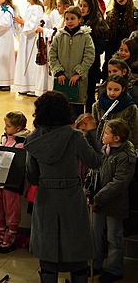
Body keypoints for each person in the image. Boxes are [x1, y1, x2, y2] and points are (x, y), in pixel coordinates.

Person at [24, 91, 101, 283]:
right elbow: (95, 161)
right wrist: (91, 133)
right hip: (72, 196)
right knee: (77, 252)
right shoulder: (74, 137)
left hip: (46, 197)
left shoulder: (33, 139)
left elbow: (32, 176)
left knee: (48, 253)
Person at [92, 119, 136, 283]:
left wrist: (99, 196)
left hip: (114, 203)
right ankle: (95, 263)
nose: (102, 135)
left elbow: (119, 183)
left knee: (114, 237)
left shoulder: (126, 156)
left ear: (116, 138)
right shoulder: (105, 149)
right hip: (99, 201)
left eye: (106, 133)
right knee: (95, 234)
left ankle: (114, 269)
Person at [0, 111, 30, 253]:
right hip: (0, 179)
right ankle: (0, 232)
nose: (5, 128)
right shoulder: (5, 138)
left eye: (9, 126)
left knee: (11, 208)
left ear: (18, 128)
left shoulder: (22, 142)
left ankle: (11, 234)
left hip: (12, 182)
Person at [49, 6, 95, 119]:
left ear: (79, 19)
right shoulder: (59, 35)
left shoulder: (85, 37)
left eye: (72, 18)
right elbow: (52, 54)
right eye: (67, 19)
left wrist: (79, 73)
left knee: (76, 110)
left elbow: (89, 56)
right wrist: (58, 72)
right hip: (61, 79)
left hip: (78, 81)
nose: (69, 21)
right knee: (61, 109)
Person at [78, 0, 109, 112]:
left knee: (89, 95)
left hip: (91, 64)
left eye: (85, 6)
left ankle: (89, 118)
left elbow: (100, 48)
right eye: (80, 6)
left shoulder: (99, 24)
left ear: (92, 7)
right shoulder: (78, 21)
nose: (82, 8)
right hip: (78, 63)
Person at [92, 74, 138, 148]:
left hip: (122, 148)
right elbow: (94, 129)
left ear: (122, 89)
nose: (112, 93)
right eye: (109, 89)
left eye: (116, 90)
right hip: (101, 147)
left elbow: (135, 131)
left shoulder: (131, 108)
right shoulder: (97, 106)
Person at [13, 0, 44, 95]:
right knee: (25, 61)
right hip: (26, 38)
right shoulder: (30, 7)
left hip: (32, 38)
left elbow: (34, 24)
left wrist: (22, 22)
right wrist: (22, 21)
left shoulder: (37, 8)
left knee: (31, 62)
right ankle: (25, 85)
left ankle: (32, 86)